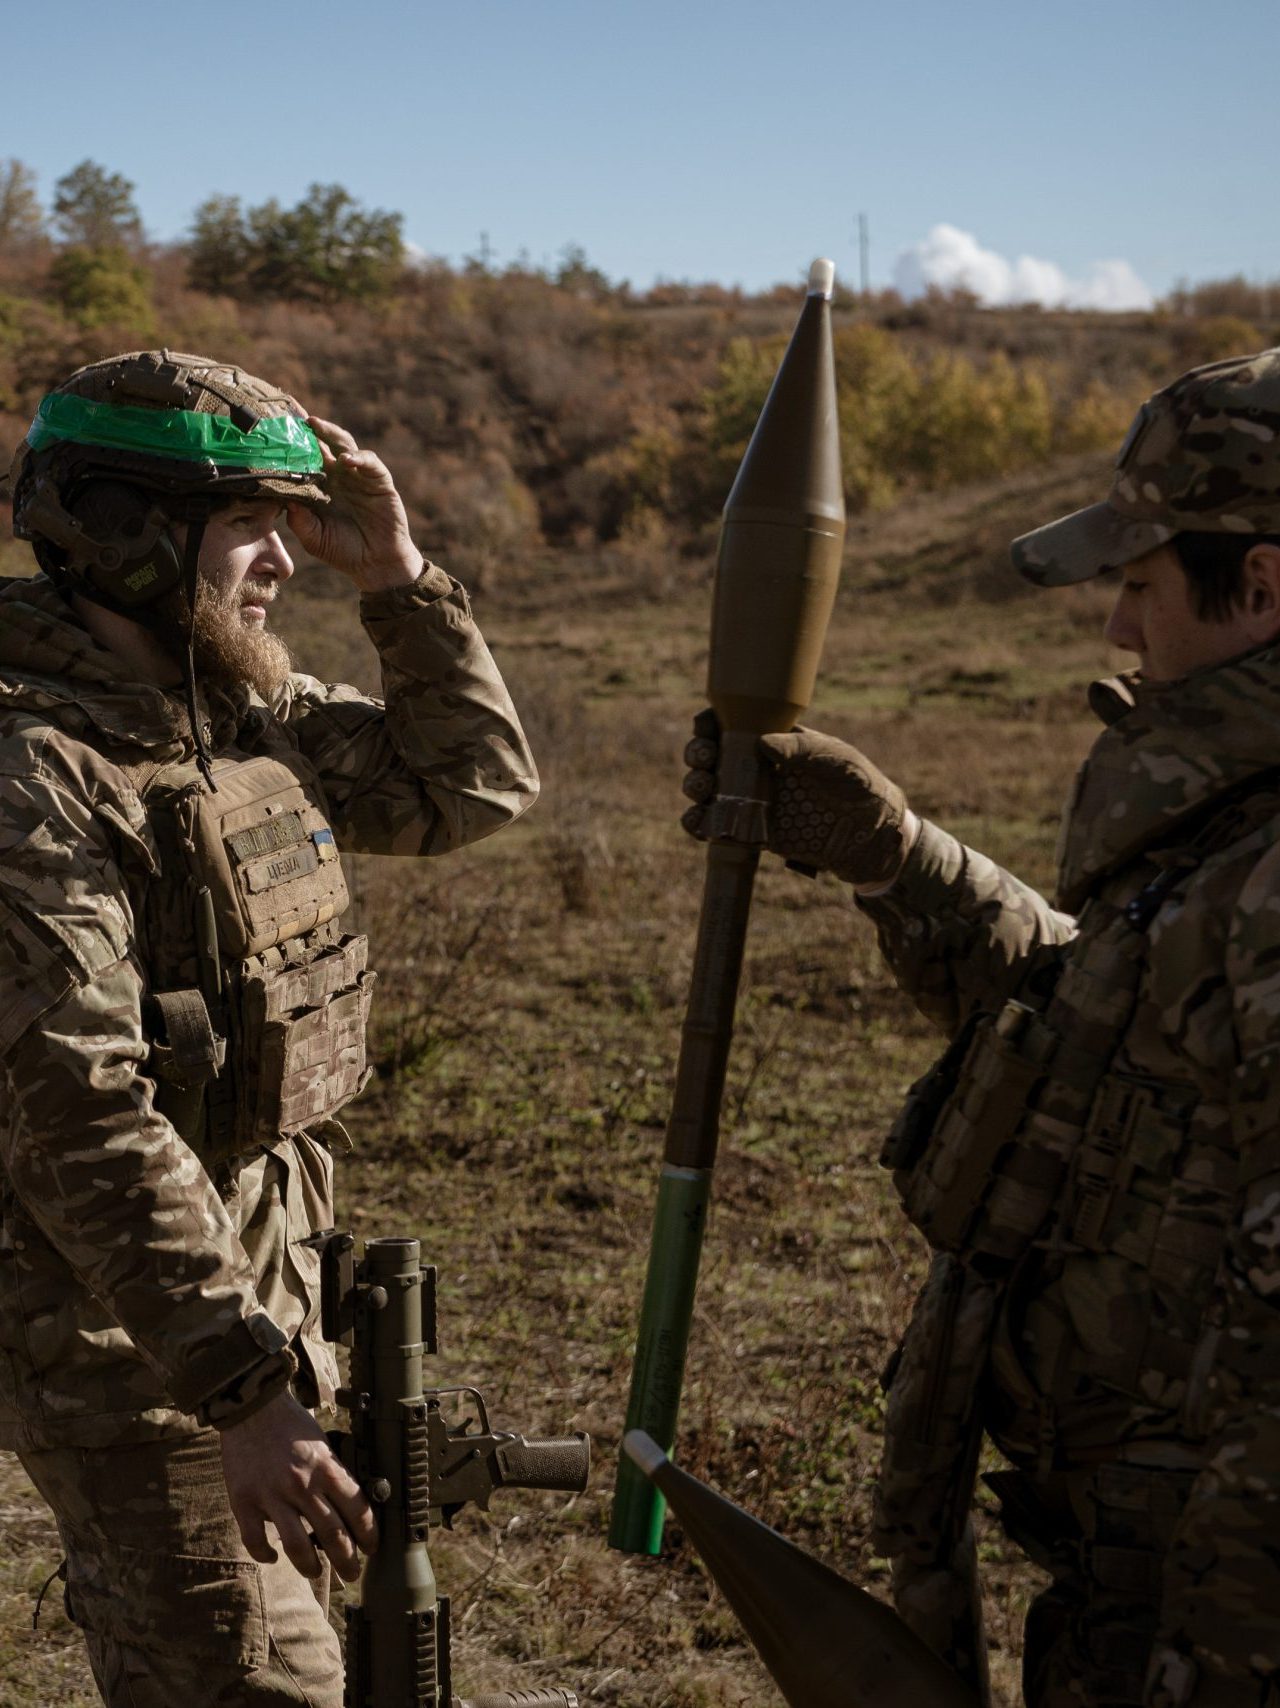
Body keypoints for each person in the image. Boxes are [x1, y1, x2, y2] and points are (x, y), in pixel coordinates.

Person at [682, 348, 1280, 1708]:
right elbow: (1108, 1031)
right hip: (1131, 1590)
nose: (1119, 631)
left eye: (1138, 585)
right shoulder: (1228, 836)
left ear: (1261, 588)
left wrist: (1226, 1658)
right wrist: (902, 864)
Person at [0, 348, 537, 1706]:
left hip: (266, 1313)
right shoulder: (32, 774)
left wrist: (398, 582)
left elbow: (468, 783)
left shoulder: (235, 712)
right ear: (123, 536)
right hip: (133, 1352)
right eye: (249, 521)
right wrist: (245, 1393)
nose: (283, 559)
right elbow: (79, 1106)